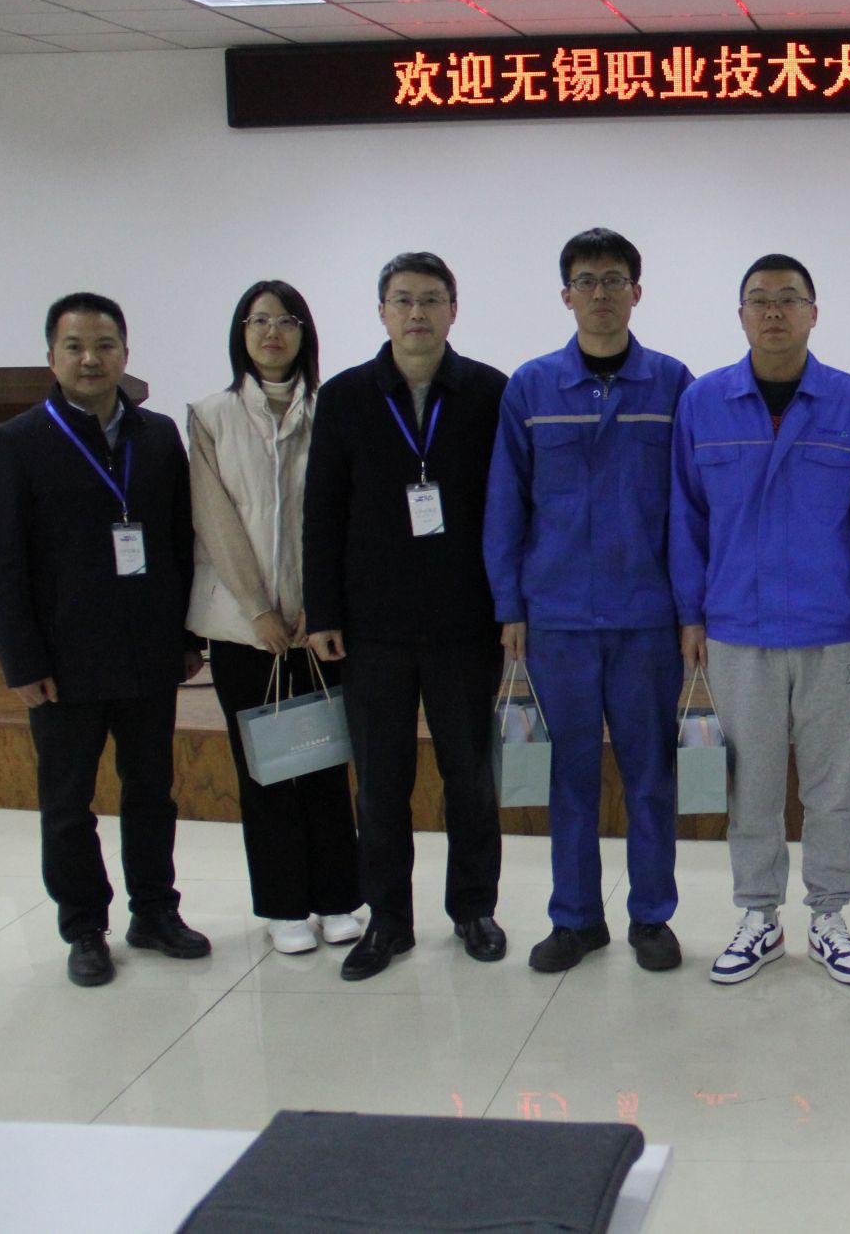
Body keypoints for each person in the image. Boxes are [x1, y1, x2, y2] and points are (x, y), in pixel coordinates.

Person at [0, 292, 210, 987]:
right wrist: (22, 659)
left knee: (152, 791)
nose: (90, 359)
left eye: (105, 345)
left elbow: (179, 541)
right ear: (51, 356)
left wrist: (187, 636)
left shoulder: (157, 435)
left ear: (125, 354)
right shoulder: (14, 443)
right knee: (68, 802)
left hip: (147, 650)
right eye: (74, 346)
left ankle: (155, 911)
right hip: (63, 658)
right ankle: (83, 926)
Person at [671, 253, 850, 986]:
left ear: (813, 313)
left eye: (789, 299)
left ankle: (829, 914)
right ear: (740, 315)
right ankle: (759, 915)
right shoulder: (704, 402)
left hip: (834, 626)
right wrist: (691, 613)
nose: (774, 312)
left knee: (834, 789)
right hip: (737, 628)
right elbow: (686, 518)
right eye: (760, 300)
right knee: (752, 790)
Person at [485, 229, 693, 973]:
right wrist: (511, 605)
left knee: (651, 775)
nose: (600, 293)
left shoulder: (673, 385)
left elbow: (691, 508)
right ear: (565, 294)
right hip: (558, 618)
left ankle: (651, 916)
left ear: (637, 291)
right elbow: (505, 503)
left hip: (647, 618)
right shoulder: (531, 387)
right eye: (586, 280)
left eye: (613, 280)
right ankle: (575, 918)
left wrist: (691, 611)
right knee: (567, 775)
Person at [304, 251, 509, 982]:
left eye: (430, 299)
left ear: (454, 309)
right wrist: (323, 609)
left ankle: (474, 909)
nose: (416, 313)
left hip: (465, 621)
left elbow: (510, 507)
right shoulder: (346, 396)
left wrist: (510, 606)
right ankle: (388, 919)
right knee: (382, 783)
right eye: (402, 300)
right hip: (374, 625)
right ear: (382, 311)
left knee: (470, 777)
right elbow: (322, 508)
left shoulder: (489, 392)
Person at [189, 281, 363, 956]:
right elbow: (215, 520)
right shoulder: (211, 416)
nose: (272, 332)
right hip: (245, 627)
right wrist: (259, 609)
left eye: (286, 320)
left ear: (304, 332)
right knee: (266, 768)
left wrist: (319, 603)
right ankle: (284, 905)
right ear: (241, 332)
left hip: (321, 625)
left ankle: (339, 897)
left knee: (325, 760)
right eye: (258, 320)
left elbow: (344, 514)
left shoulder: (333, 409)